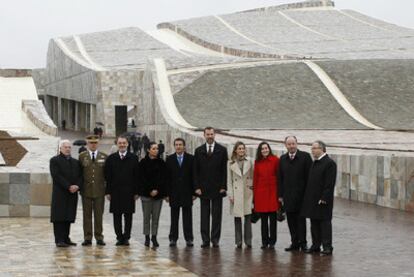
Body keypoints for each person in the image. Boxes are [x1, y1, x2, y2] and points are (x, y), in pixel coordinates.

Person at [194, 127, 228, 248]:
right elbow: (196, 171)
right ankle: (205, 239)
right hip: (203, 188)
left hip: (218, 188)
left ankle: (215, 239)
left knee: (217, 215)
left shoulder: (222, 150)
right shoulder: (198, 151)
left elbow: (224, 170)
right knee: (204, 215)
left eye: (211, 134)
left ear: (215, 135)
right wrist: (196, 187)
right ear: (204, 135)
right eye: (207, 134)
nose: (210, 136)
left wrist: (224, 186)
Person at [302, 141, 337, 256]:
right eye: (311, 149)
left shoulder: (329, 163)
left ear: (322, 149)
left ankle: (327, 246)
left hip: (323, 200)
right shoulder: (315, 162)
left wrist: (324, 198)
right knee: (314, 223)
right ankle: (315, 245)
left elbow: (329, 183)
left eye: (314, 148)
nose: (312, 151)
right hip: (312, 199)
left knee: (325, 223)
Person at [278, 136, 312, 252]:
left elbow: (310, 178)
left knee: (301, 221)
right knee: (291, 221)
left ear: (297, 144)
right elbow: (280, 179)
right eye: (289, 144)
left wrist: (309, 195)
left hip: (301, 196)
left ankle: (303, 243)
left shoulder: (305, 157)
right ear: (285, 145)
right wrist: (280, 195)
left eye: (293, 143)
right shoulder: (282, 159)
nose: (291, 146)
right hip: (288, 196)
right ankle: (294, 243)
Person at [104, 136, 140, 246]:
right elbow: (108, 177)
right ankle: (119, 237)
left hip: (129, 192)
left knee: (128, 215)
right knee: (117, 215)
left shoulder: (133, 158)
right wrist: (108, 192)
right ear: (117, 144)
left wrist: (136, 192)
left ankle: (126, 237)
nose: (122, 145)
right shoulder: (111, 158)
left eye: (124, 143)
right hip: (115, 191)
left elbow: (137, 176)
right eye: (120, 143)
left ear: (127, 144)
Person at [49, 140, 82, 247]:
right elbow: (56, 176)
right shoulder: (54, 160)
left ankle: (66, 238)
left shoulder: (75, 162)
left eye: (69, 147)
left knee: (68, 216)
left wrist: (77, 185)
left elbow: (80, 176)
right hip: (60, 193)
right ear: (60, 148)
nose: (68, 149)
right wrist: (68, 186)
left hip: (72, 193)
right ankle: (59, 239)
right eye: (65, 147)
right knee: (59, 216)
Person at [165, 138, 195, 247]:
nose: (178, 146)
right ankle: (173, 238)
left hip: (187, 192)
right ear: (174, 146)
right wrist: (167, 194)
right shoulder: (170, 159)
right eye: (176, 145)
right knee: (174, 217)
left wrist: (194, 193)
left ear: (184, 146)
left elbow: (194, 176)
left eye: (180, 144)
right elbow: (166, 178)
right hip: (174, 193)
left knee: (187, 217)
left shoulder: (191, 159)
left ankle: (189, 238)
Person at [79, 135, 107, 246]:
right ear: (87, 144)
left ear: (98, 143)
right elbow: (79, 173)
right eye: (91, 143)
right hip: (86, 190)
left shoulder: (104, 156)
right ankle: (87, 237)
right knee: (87, 215)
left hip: (99, 191)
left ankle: (99, 237)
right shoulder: (82, 156)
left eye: (95, 143)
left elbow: (107, 174)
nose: (93, 145)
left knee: (99, 215)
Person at [138, 142, 168, 248]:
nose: (156, 150)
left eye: (157, 148)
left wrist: (157, 190)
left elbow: (164, 179)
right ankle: (146, 237)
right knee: (146, 218)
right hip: (146, 195)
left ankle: (154, 237)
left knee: (156, 218)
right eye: (153, 148)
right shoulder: (142, 163)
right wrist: (149, 190)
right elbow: (141, 179)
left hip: (158, 195)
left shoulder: (162, 163)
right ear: (148, 150)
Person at [253, 142, 280, 249]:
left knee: (273, 220)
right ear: (260, 151)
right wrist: (255, 196)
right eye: (262, 149)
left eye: (266, 148)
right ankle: (264, 242)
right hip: (261, 194)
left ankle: (272, 241)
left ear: (269, 149)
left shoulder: (275, 160)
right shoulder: (257, 162)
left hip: (273, 193)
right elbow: (255, 179)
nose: (265, 150)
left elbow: (279, 176)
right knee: (263, 220)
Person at [227, 141, 254, 248]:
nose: (241, 150)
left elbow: (252, 176)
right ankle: (238, 241)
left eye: (243, 148)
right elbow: (229, 181)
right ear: (235, 150)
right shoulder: (230, 163)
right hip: (236, 192)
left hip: (247, 192)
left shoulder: (250, 161)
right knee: (237, 218)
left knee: (248, 218)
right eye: (239, 148)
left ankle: (248, 241)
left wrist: (251, 187)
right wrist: (231, 195)